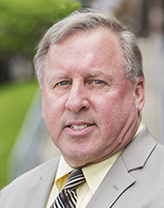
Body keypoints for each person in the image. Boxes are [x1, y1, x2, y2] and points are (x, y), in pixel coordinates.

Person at [1, 8, 164, 208]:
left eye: (96, 82)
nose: (75, 102)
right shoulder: (10, 197)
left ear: (137, 93)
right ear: (44, 98)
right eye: (62, 83)